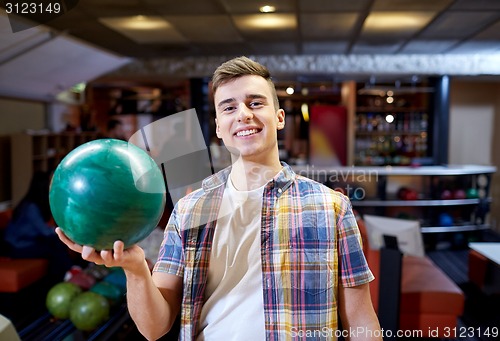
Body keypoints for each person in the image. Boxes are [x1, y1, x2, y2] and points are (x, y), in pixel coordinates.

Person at [56, 56, 382, 340]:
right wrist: (135, 269)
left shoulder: (332, 208)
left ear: (279, 118)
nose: (243, 114)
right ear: (219, 127)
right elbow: (154, 328)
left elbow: (362, 321)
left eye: (256, 103)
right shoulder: (189, 210)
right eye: (229, 107)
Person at [5, 171, 74, 282]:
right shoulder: (30, 207)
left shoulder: (33, 204)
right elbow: (45, 231)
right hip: (17, 247)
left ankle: (68, 272)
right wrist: (65, 231)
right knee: (53, 247)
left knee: (55, 243)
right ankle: (66, 274)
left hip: (27, 242)